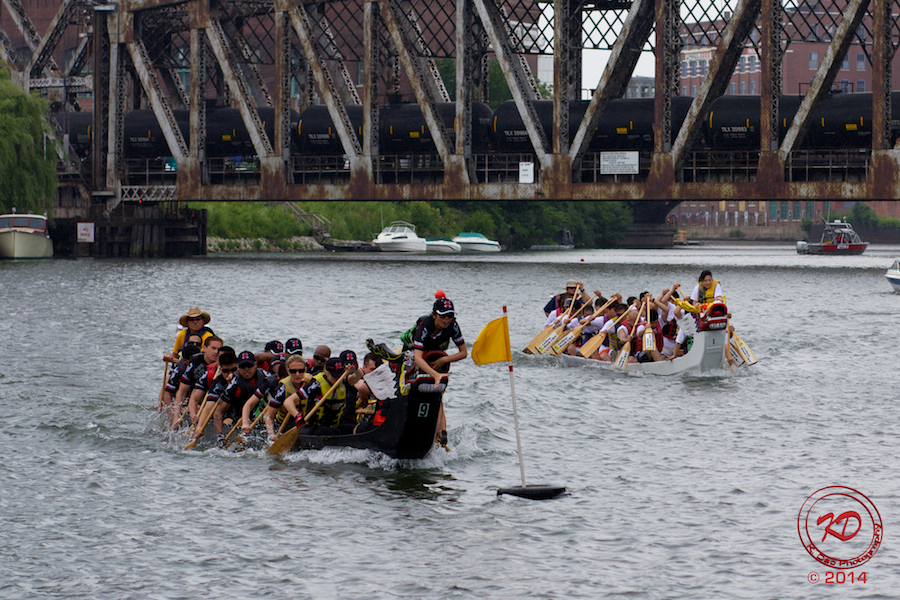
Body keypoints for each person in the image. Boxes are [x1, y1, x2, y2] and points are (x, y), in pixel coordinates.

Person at [292, 357, 353, 436]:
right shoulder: (315, 384)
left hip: (333, 426)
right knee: (333, 432)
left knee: (351, 428)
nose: (337, 379)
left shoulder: (344, 382)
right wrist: (297, 416)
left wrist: (355, 369)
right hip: (313, 427)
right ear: (326, 372)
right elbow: (289, 401)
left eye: (339, 375)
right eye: (334, 376)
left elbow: (358, 376)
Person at [172, 335, 223, 426]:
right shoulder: (195, 362)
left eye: (218, 350)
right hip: (193, 397)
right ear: (205, 348)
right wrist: (176, 417)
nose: (216, 352)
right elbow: (182, 392)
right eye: (213, 348)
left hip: (213, 400)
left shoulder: (223, 366)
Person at [264, 354, 312, 442]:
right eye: (293, 371)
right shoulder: (282, 388)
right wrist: (271, 434)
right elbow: (269, 416)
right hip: (285, 425)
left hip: (305, 423)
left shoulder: (312, 384)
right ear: (288, 371)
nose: (297, 374)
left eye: (301, 371)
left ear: (305, 370)